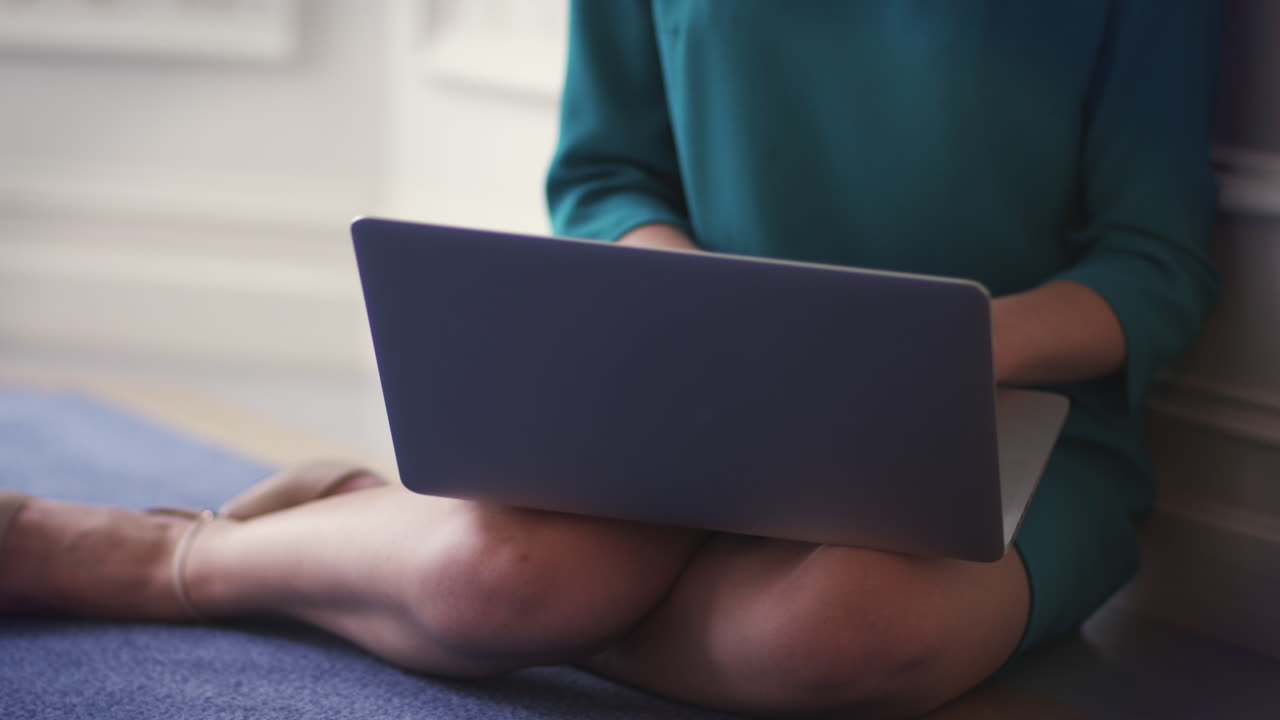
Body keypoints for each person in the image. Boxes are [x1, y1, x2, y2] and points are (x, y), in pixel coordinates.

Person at [0, 1, 1221, 717]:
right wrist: (692, 304)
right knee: (502, 575)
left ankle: (390, 554)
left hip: (1005, 427)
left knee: (835, 635)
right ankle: (178, 555)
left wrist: (946, 350)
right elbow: (603, 175)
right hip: (686, 399)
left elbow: (1153, 265)